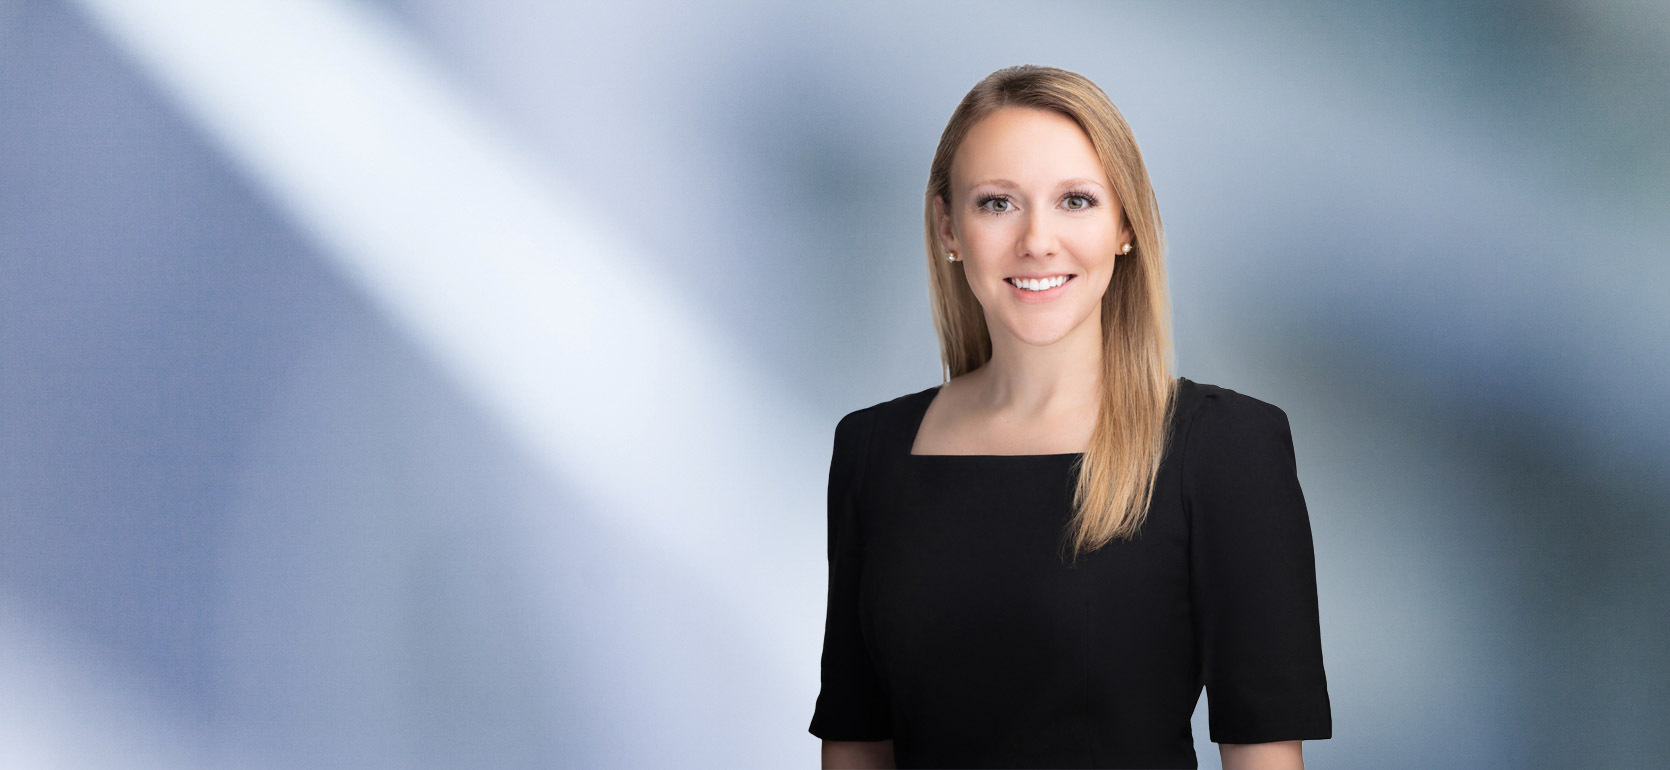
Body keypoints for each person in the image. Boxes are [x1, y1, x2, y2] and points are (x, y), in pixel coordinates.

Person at [808, 65, 1332, 769]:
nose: (1037, 240)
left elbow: (1262, 753)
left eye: (1076, 201)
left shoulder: (1225, 449)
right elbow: (855, 739)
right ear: (948, 228)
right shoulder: (871, 451)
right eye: (998, 204)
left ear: (1125, 226)